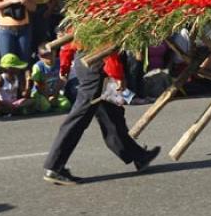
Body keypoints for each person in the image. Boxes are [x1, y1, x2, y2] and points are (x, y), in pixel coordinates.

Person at [42, 48, 160, 185]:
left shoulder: (81, 25)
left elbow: (68, 43)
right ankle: (54, 167)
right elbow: (107, 46)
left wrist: (65, 63)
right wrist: (117, 75)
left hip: (85, 61)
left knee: (111, 113)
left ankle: (138, 156)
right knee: (80, 117)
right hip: (97, 64)